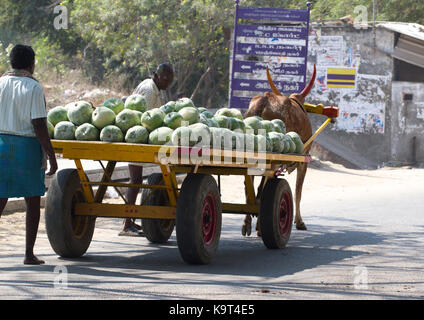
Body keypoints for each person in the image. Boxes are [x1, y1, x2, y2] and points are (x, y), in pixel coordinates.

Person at [0, 44, 58, 264]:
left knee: (0, 197)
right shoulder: (34, 87)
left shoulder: (1, 83)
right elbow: (39, 125)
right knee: (32, 201)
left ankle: (28, 254)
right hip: (26, 148)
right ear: (32, 64)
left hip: (2, 144)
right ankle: (28, 254)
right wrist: (51, 155)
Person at [119, 63, 174, 236]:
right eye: (165, 79)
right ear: (156, 76)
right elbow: (146, 119)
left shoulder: (151, 87)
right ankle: (127, 224)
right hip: (137, 139)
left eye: (170, 80)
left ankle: (130, 221)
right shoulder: (150, 91)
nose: (167, 83)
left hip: (136, 137)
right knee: (135, 180)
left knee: (135, 180)